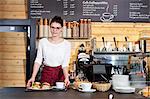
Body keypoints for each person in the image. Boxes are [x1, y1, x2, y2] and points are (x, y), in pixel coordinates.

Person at [27, 16, 71, 87]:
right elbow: (38, 60)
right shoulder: (43, 42)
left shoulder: (67, 44)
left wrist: (66, 78)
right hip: (47, 72)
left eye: (57, 28)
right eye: (52, 27)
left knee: (61, 96)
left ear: (61, 29)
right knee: (46, 94)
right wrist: (33, 77)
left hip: (60, 73)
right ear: (49, 28)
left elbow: (65, 64)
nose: (55, 30)